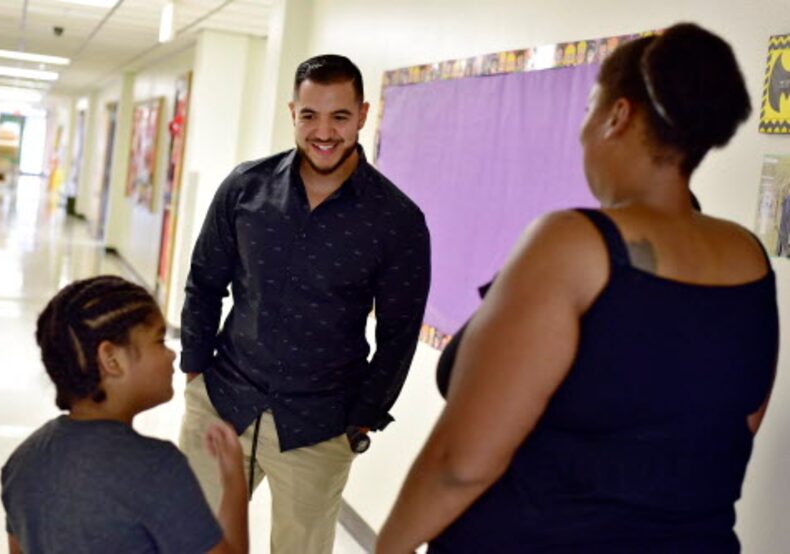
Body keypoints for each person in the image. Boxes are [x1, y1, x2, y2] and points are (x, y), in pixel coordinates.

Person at [377, 23, 777, 553]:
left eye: (590, 107)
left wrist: (389, 547)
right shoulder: (747, 257)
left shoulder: (573, 243)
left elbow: (462, 464)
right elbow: (737, 425)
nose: (583, 129)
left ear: (618, 115)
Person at [179, 54, 431, 554]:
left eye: (339, 117)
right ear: (292, 111)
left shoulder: (397, 220)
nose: (324, 132)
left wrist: (362, 419)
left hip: (319, 424)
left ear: (362, 114)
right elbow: (205, 281)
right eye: (310, 115)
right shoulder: (244, 188)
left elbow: (399, 335)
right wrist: (195, 370)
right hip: (223, 400)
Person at [1, 276, 248, 554]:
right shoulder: (157, 468)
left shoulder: (23, 461)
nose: (171, 355)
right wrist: (234, 484)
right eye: (159, 340)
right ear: (111, 359)